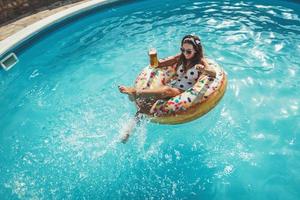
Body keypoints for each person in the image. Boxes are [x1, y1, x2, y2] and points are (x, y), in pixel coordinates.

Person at [118, 34, 216, 142]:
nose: (185, 53)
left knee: (166, 90)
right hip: (174, 86)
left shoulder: (200, 61)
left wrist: (203, 70)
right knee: (145, 106)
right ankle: (127, 132)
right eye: (182, 50)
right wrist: (153, 57)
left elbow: (213, 73)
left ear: (196, 50)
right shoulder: (180, 58)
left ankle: (136, 93)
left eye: (188, 51)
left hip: (184, 91)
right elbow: (159, 65)